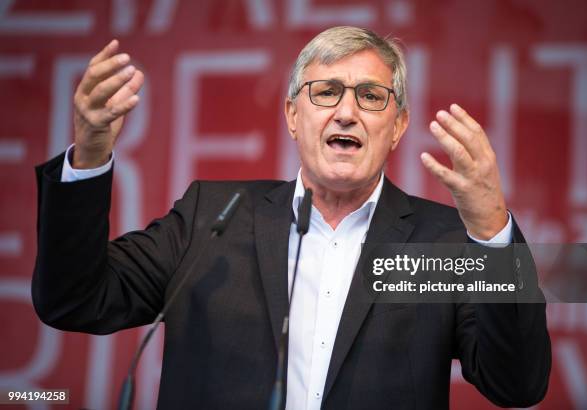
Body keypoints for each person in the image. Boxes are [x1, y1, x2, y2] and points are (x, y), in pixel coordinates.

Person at [33, 26, 551, 409]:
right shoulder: (212, 217)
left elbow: (518, 384)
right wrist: (90, 158)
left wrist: (491, 233)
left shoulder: (440, 243)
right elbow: (74, 300)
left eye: (371, 97)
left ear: (397, 127)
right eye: (325, 92)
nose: (346, 112)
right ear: (292, 116)